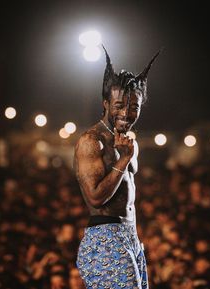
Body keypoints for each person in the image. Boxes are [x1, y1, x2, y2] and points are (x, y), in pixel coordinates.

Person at [74, 45, 160, 289]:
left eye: (134, 107)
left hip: (130, 236)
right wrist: (122, 160)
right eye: (120, 105)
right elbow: (95, 197)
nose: (127, 113)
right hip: (105, 240)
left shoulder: (129, 143)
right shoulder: (91, 141)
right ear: (105, 103)